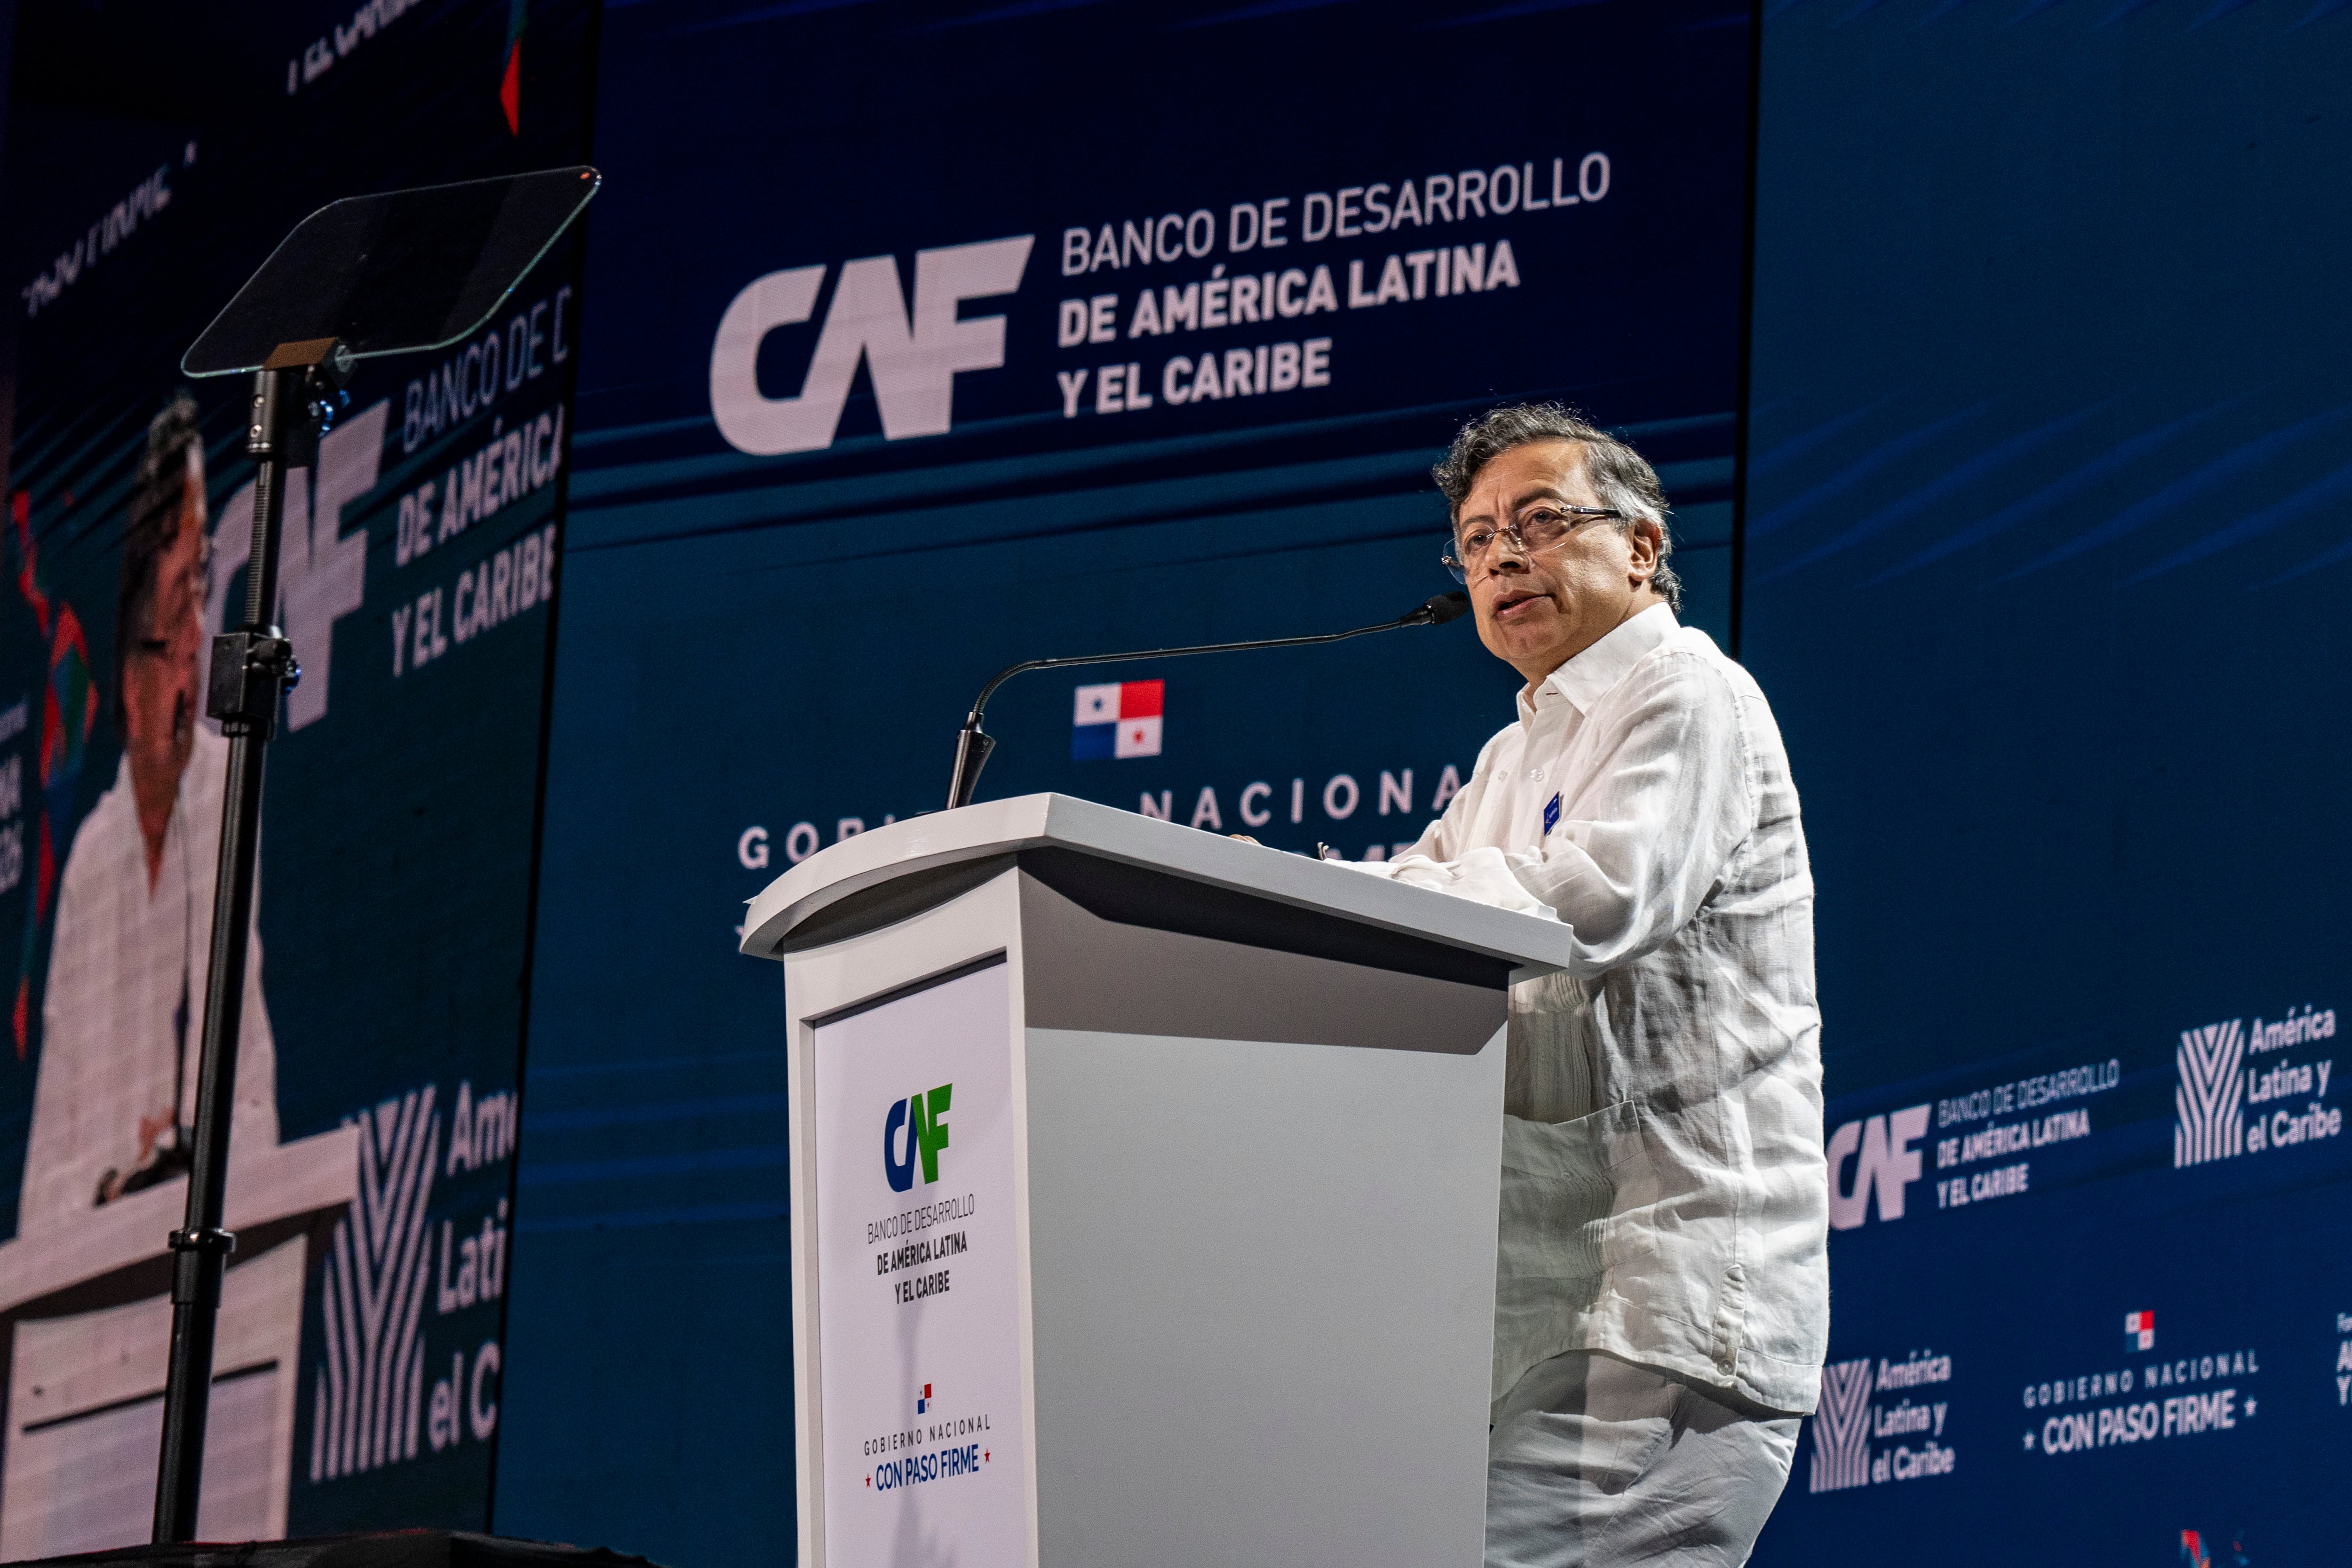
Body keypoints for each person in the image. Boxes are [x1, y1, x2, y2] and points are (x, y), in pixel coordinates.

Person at [1358, 405, 1826, 1566]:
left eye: (1540, 520)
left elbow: (1599, 897)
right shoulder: (1510, 758)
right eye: (1473, 541)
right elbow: (1403, 906)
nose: (1501, 557)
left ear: (1641, 547)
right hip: (1547, 1321)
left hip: (1669, 1309)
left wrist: (1401, 894)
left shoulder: (1689, 691)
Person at [19, 394, 277, 1235]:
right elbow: (42, 1192)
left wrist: (178, 1151)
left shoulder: (224, 789)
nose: (200, 642)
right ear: (129, 675)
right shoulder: (92, 860)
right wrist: (115, 1181)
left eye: (206, 588)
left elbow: (252, 1113)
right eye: (176, 614)